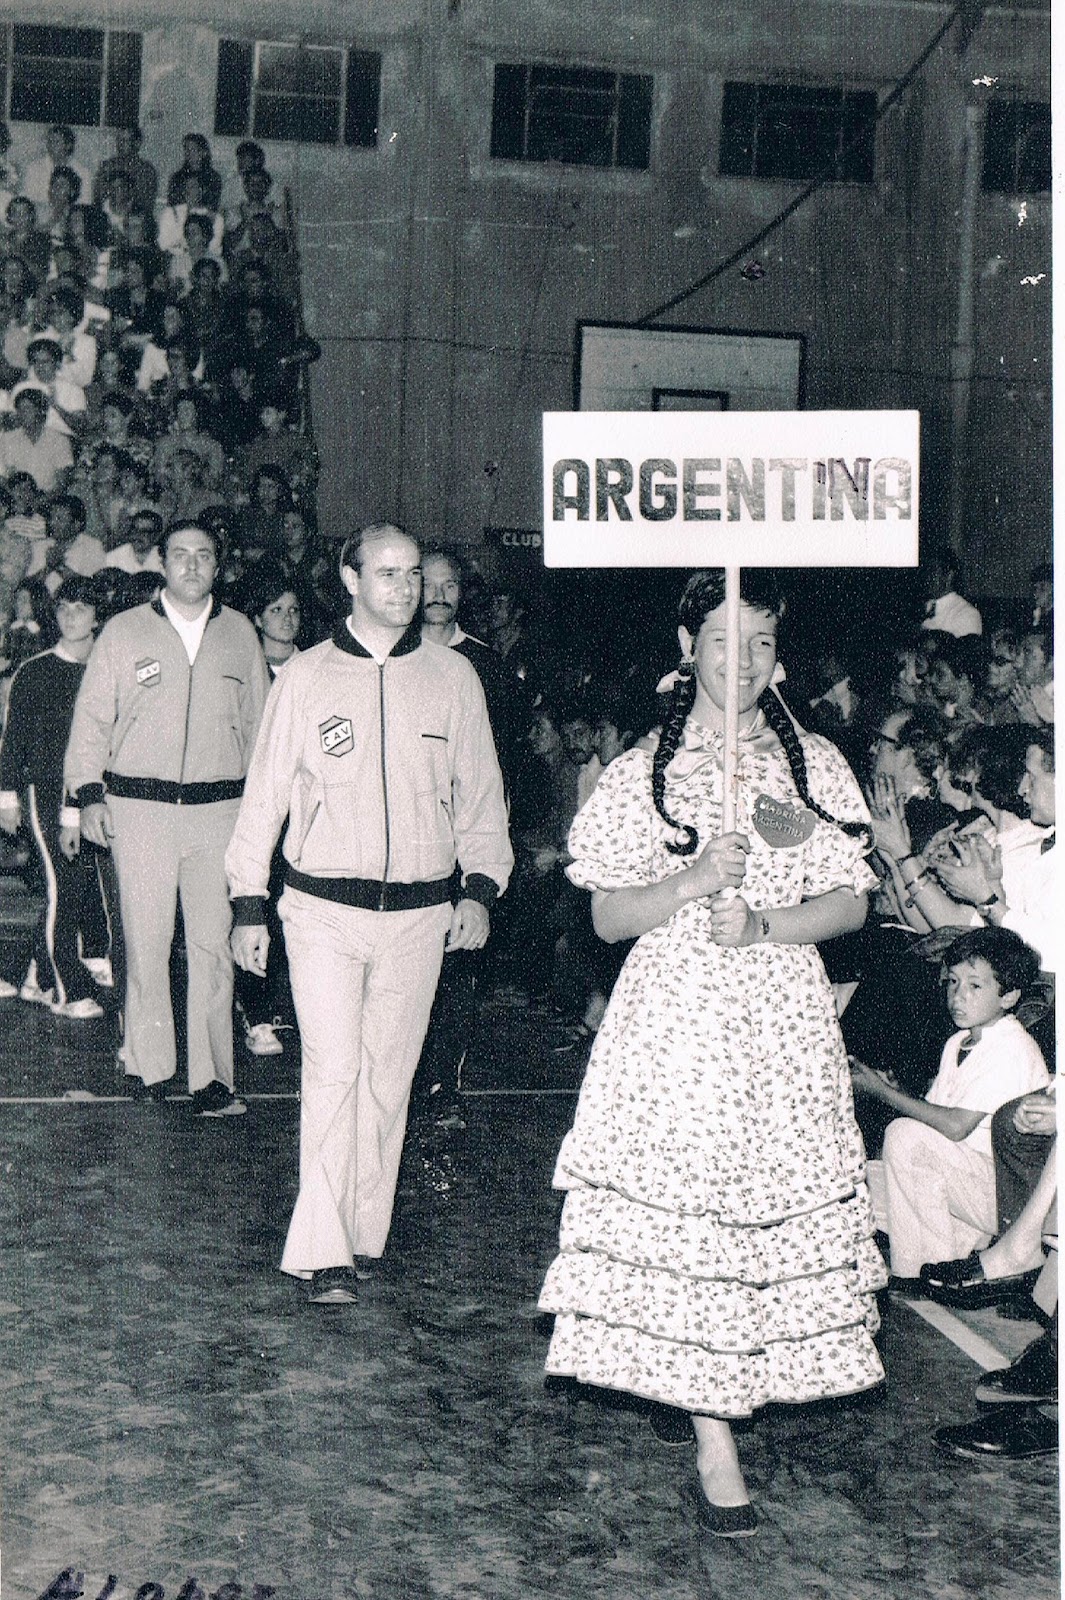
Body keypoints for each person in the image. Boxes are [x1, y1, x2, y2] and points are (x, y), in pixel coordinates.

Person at [538, 569, 885, 1539]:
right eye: (724, 641)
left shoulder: (805, 766)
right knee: (691, 1209)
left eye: (763, 643)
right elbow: (607, 917)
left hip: (776, 1019)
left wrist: (768, 922)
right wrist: (691, 881)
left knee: (754, 1210)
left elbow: (850, 901)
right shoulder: (646, 768)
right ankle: (713, 1439)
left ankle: (716, 1379)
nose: (743, 662)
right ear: (688, 647)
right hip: (677, 1022)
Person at [226, 524, 512, 1303]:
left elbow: (481, 795)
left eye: (414, 573)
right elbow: (265, 798)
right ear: (349, 581)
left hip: (421, 913)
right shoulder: (307, 678)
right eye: (387, 573)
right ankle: (319, 1249)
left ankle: (360, 1230)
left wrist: (480, 888)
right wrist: (248, 903)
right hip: (322, 908)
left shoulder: (453, 678)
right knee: (333, 1071)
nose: (405, 587)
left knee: (389, 1079)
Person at [65, 521, 272, 1113]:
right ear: (161, 563)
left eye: (202, 556)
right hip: (140, 810)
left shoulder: (239, 637)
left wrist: (261, 815)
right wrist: (88, 794)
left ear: (218, 566)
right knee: (147, 941)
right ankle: (148, 1063)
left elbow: (262, 733)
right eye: (179, 555)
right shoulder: (125, 633)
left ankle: (213, 1076)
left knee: (212, 945)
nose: (190, 566)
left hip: (219, 811)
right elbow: (92, 721)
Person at [854, 926, 1049, 1286]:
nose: (958, 996)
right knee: (863, 1178)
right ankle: (949, 1256)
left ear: (1009, 997)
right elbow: (933, 1119)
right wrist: (895, 1089)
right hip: (963, 1181)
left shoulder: (1011, 1046)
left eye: (975, 986)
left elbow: (955, 1127)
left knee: (903, 1138)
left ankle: (918, 1271)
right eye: (953, 983)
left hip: (1004, 1196)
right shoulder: (958, 1042)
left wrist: (883, 1093)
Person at [0, 574, 109, 1017]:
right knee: (63, 886)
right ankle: (66, 990)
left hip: (87, 795)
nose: (70, 616)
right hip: (41, 792)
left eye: (81, 608)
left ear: (97, 617)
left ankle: (29, 975)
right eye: (64, 608)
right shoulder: (36, 670)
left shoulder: (105, 670)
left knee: (70, 889)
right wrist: (6, 799)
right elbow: (13, 742)